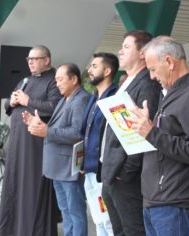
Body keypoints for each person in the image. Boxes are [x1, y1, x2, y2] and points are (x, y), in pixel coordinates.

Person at [131, 36, 189, 236]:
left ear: (169, 62)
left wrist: (152, 133)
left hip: (174, 202)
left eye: (152, 69)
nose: (151, 77)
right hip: (156, 199)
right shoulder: (172, 93)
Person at [100, 30, 161, 236]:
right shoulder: (127, 81)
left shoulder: (147, 84)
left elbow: (143, 132)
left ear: (142, 52)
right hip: (112, 171)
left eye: (126, 46)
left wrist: (126, 172)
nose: (120, 50)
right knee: (119, 231)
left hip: (126, 176)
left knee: (133, 230)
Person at [0, 45, 62, 236]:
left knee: (31, 189)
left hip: (36, 147)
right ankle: (12, 229)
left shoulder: (53, 81)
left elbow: (55, 108)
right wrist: (13, 102)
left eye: (35, 59)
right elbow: (8, 104)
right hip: (17, 143)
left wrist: (27, 102)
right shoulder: (25, 80)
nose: (30, 62)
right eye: (29, 59)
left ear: (46, 60)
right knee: (13, 186)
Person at [26, 63, 90, 236]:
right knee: (66, 211)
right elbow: (58, 127)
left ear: (74, 79)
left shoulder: (81, 99)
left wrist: (47, 131)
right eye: (56, 80)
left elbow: (77, 133)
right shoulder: (64, 99)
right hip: (57, 166)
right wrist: (37, 123)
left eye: (60, 79)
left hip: (69, 166)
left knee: (75, 212)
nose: (57, 84)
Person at [82, 52, 119, 235]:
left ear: (107, 71)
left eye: (94, 66)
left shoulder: (115, 97)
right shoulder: (94, 96)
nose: (89, 70)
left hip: (103, 172)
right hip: (89, 169)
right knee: (98, 220)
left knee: (108, 221)